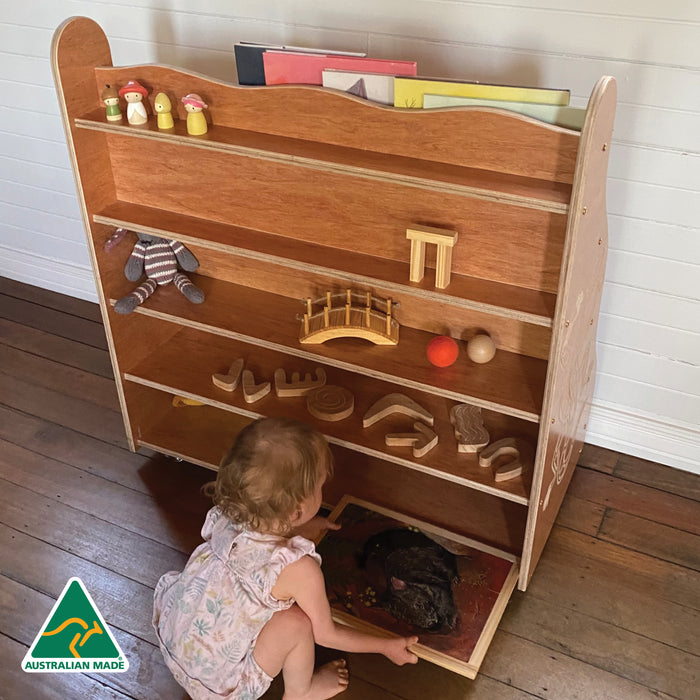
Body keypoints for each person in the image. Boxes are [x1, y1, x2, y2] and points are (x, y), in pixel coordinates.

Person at [153, 417, 418, 700]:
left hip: (174, 640)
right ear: (295, 511)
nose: (322, 489)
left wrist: (303, 527)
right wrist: (386, 646)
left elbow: (258, 542)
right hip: (220, 687)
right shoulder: (298, 569)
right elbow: (326, 635)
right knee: (298, 623)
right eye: (319, 485)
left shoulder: (230, 512)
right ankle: (301, 692)